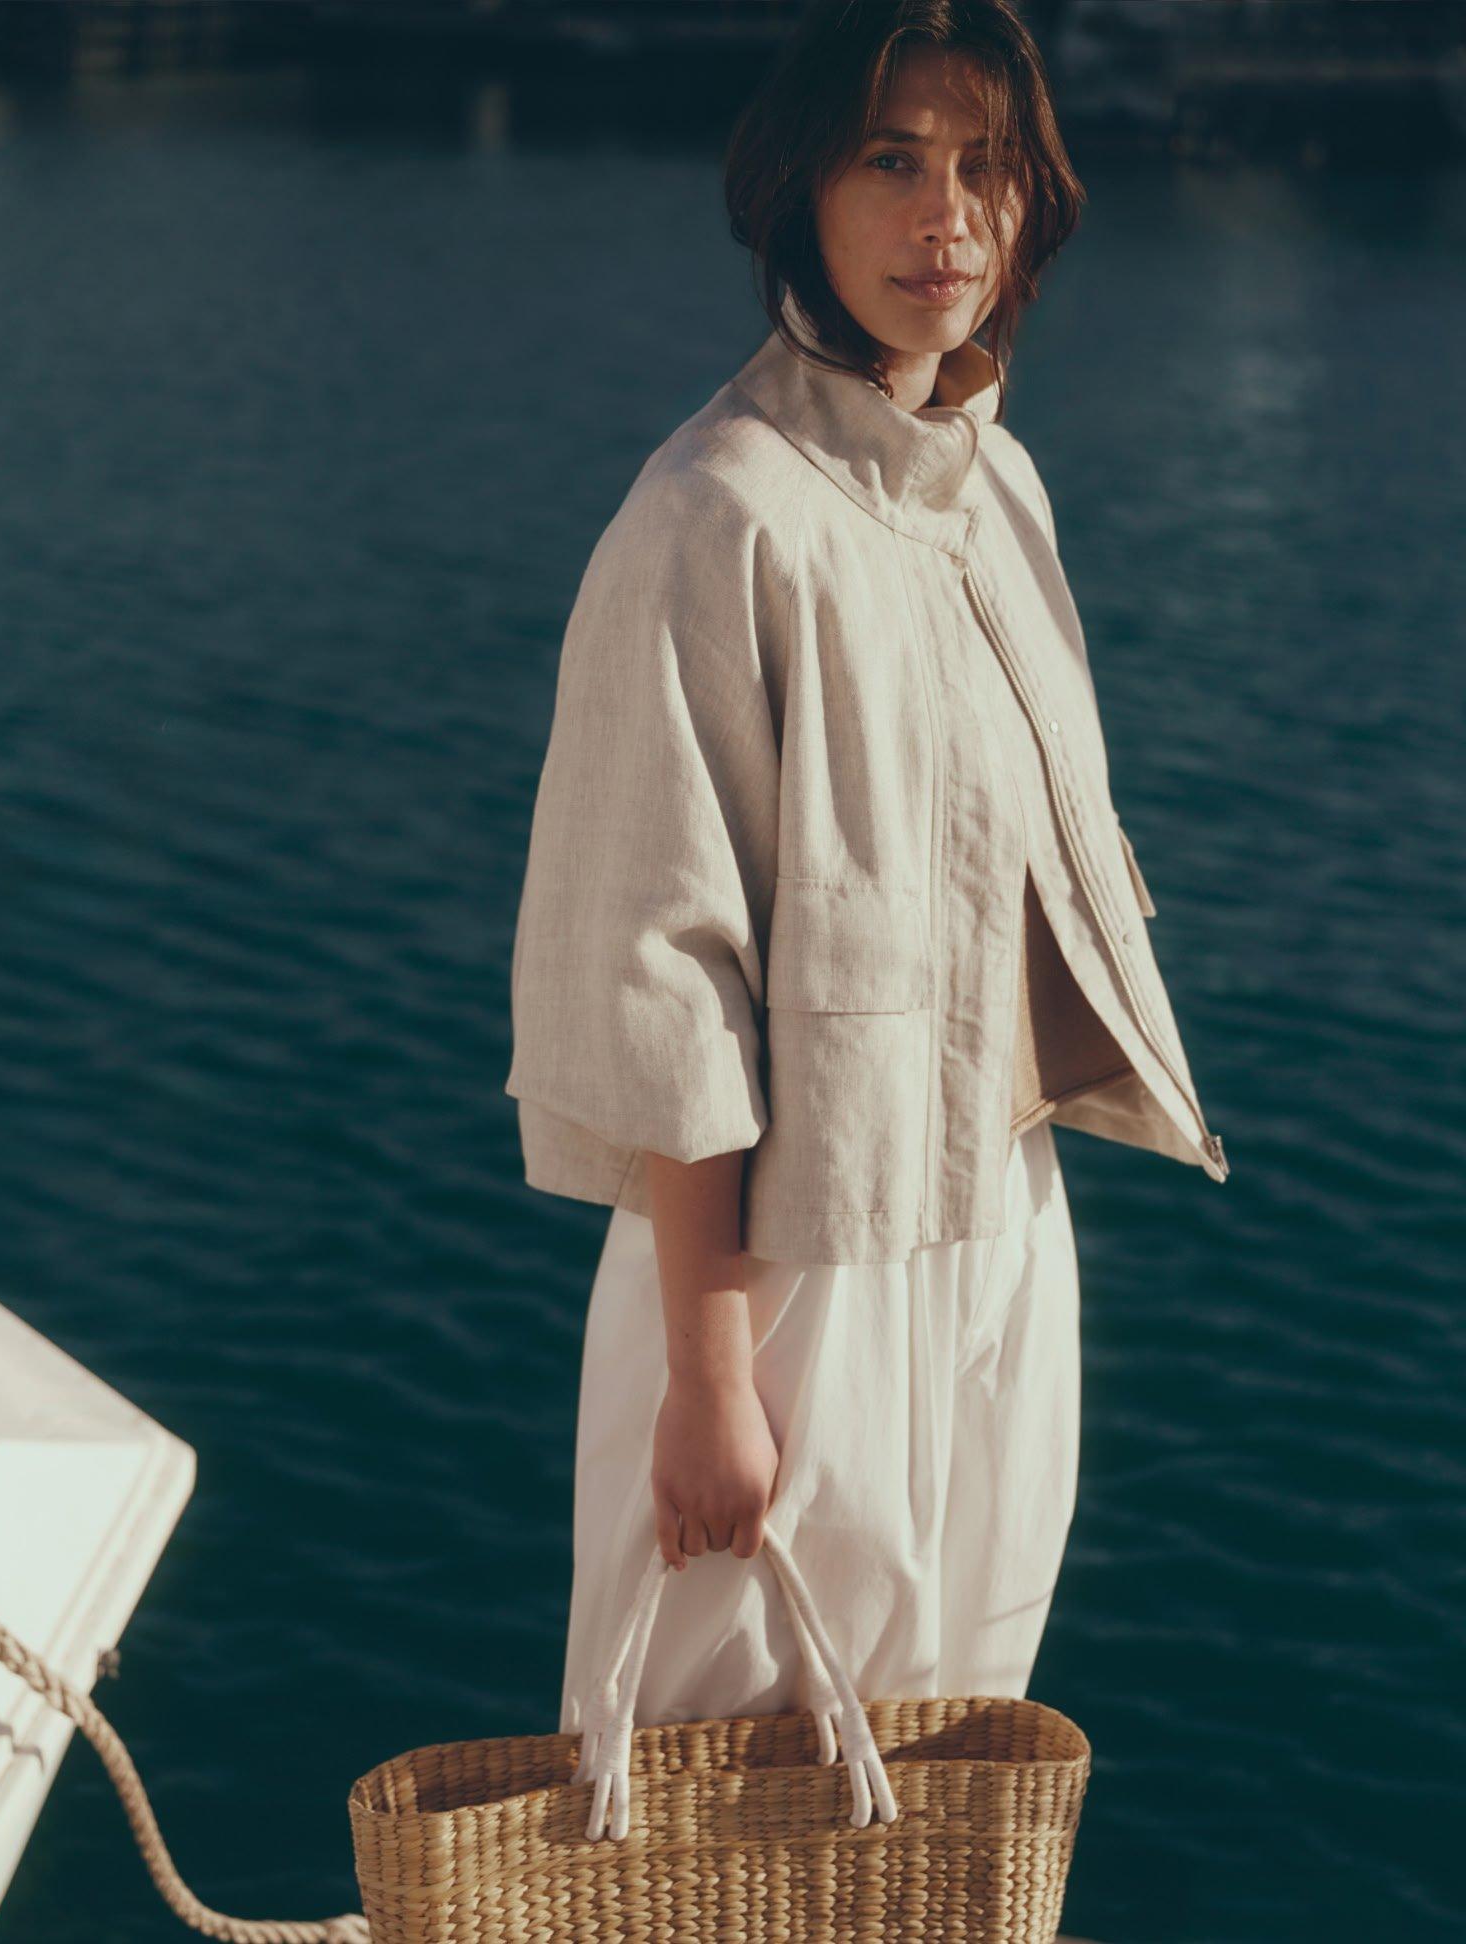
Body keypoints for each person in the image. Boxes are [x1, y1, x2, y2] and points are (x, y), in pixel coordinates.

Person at [503, 0, 1230, 1735]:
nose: (948, 217)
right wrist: (708, 1380)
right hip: (788, 1271)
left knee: (943, 1766)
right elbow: (667, 977)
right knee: (712, 1794)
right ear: (797, 191)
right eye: (894, 161)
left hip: (997, 1225)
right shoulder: (715, 514)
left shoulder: (998, 489)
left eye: (986, 168)